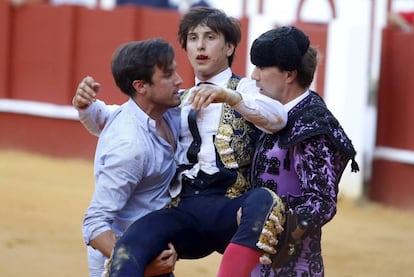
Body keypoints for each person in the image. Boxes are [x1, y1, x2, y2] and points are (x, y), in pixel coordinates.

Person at [73, 7, 288, 277]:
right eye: (193, 38)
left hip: (229, 207)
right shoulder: (178, 99)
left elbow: (278, 118)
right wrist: (87, 107)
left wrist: (228, 97)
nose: (200, 45)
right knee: (133, 239)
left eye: (210, 37)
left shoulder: (243, 90)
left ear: (230, 47)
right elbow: (122, 118)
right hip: (183, 209)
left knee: (263, 203)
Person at [235, 26, 358, 277]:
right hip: (259, 255)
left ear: (289, 74)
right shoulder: (273, 113)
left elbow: (322, 202)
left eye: (262, 68)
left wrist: (278, 226)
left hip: (292, 263)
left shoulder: (311, 125)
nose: (254, 76)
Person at [80, 38, 182, 277]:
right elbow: (94, 225)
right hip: (124, 263)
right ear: (141, 86)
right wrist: (140, 267)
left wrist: (86, 108)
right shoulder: (130, 147)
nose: (179, 80)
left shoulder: (165, 112)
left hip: (151, 251)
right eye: (168, 75)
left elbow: (104, 115)